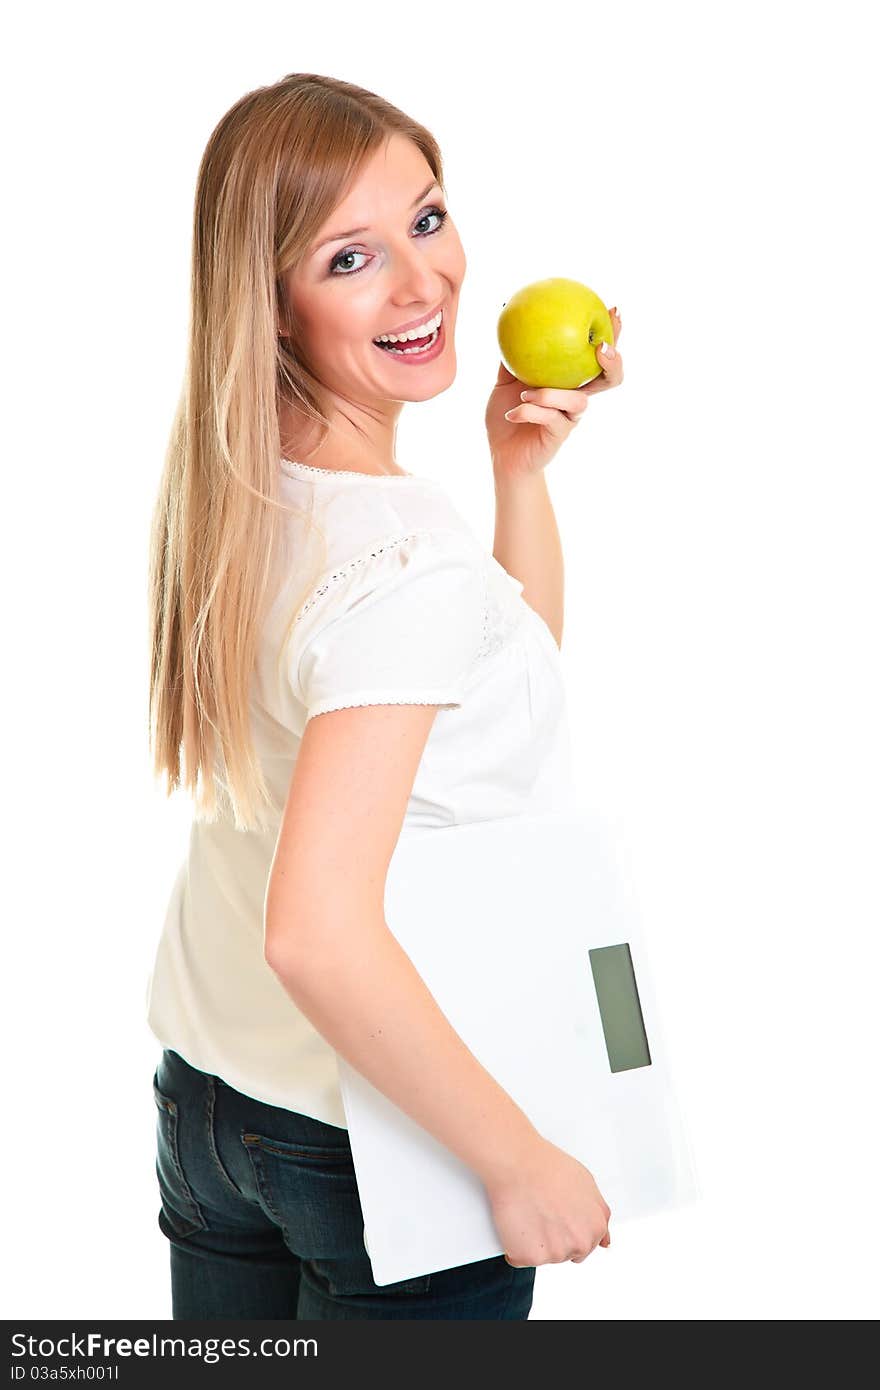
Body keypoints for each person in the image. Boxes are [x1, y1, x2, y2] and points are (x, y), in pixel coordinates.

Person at [146, 71, 624, 1322]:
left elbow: (487, 710)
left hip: (211, 1106)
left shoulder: (245, 501)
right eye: (350, 256)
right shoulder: (398, 561)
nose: (423, 283)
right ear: (277, 304)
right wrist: (518, 1162)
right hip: (373, 1151)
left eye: (426, 218)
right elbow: (314, 931)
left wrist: (515, 470)